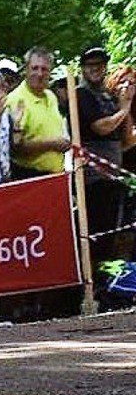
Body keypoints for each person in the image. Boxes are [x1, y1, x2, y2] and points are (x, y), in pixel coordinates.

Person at [76, 46, 134, 266]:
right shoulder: (82, 95)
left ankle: (107, 282)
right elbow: (102, 127)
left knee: (112, 233)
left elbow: (126, 140)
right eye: (91, 65)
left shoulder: (109, 97)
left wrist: (123, 106)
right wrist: (124, 108)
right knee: (95, 233)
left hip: (114, 176)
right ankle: (91, 283)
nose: (96, 69)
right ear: (83, 68)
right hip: (93, 178)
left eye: (100, 64)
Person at [6, 47, 70, 181]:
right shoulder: (16, 100)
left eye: (44, 69)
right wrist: (52, 144)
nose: (39, 74)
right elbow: (15, 148)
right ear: (26, 69)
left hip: (56, 176)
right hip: (29, 178)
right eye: (35, 68)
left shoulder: (51, 96)